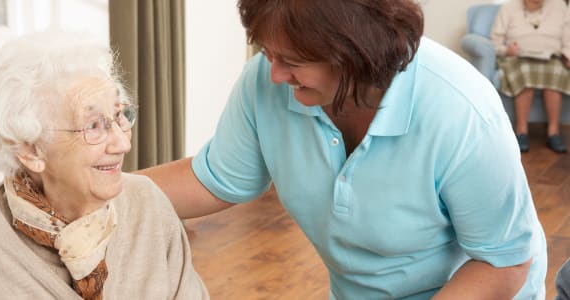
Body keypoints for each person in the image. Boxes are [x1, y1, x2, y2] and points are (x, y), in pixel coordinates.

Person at [139, 0, 547, 298]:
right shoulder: (266, 81)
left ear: (355, 54)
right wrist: (93, 190)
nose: (275, 74)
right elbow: (214, 179)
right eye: (267, 52)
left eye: (293, 59)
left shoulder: (461, 110)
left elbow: (503, 261)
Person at [0, 32, 209, 299]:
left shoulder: (147, 204)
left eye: (119, 115)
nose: (122, 144)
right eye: (93, 125)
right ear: (30, 149)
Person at [491, 0, 570, 153]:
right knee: (525, 73)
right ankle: (521, 131)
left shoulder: (560, 6)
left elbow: (568, 38)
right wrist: (506, 50)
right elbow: (494, 42)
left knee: (556, 72)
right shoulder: (508, 9)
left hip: (551, 57)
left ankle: (553, 132)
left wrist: (568, 55)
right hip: (517, 57)